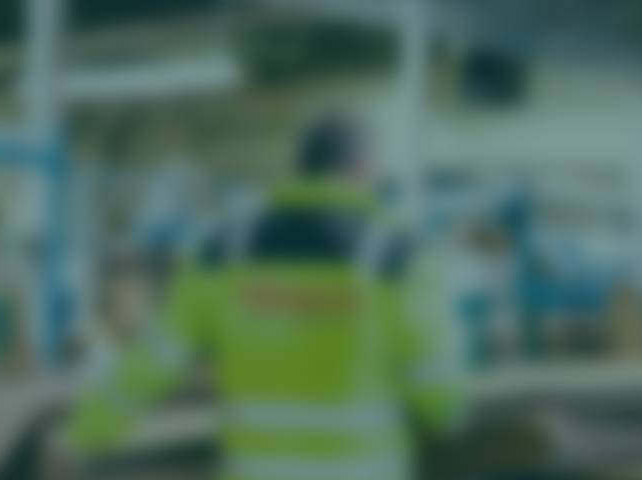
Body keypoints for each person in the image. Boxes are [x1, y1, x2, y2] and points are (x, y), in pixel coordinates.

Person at [66, 114, 468, 480]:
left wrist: (84, 433)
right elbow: (440, 403)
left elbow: (154, 361)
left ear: (301, 170)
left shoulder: (223, 252)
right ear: (363, 169)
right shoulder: (400, 260)